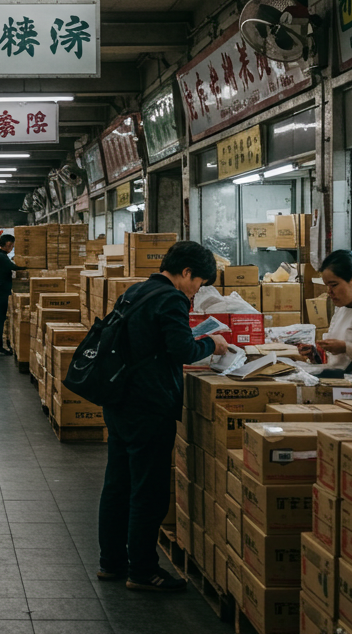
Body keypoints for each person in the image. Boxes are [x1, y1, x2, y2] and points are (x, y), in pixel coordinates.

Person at [98, 240, 228, 592]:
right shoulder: (171, 298)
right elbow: (181, 348)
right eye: (198, 283)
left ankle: (111, 561)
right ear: (186, 272)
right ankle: (143, 570)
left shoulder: (136, 291)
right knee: (148, 490)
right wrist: (211, 344)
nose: (197, 291)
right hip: (149, 405)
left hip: (119, 400)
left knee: (117, 485)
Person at [298, 249, 352, 377]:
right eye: (327, 286)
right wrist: (316, 353)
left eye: (334, 285)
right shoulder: (342, 308)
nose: (329, 292)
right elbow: (336, 359)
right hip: (334, 376)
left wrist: (345, 347)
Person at [0, 234, 24, 355]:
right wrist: (28, 266)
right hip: (0, 290)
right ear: (8, 244)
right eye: (12, 245)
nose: (12, 247)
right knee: (0, 318)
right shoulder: (1, 257)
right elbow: (15, 267)